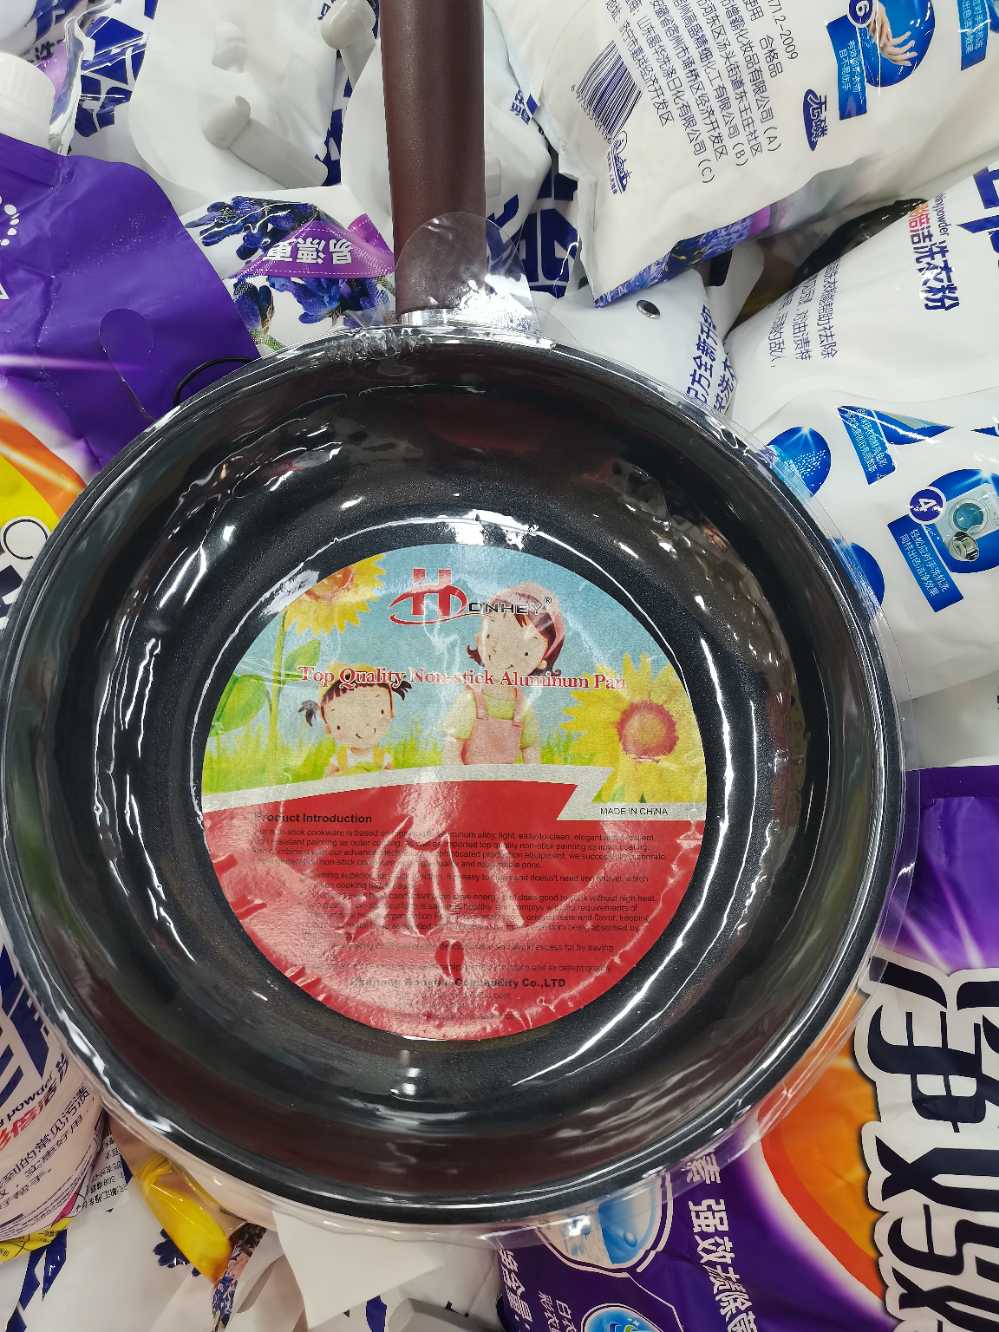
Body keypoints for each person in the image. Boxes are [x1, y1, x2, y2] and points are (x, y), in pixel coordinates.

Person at [443, 582, 564, 765]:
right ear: (480, 639)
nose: (504, 652)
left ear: (542, 662)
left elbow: (531, 749)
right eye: (494, 637)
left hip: (507, 783)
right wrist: (460, 780)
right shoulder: (470, 701)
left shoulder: (523, 708)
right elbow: (451, 749)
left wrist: (533, 778)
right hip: (469, 780)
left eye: (525, 651)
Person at [301, 665, 411, 775]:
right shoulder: (340, 759)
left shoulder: (382, 757)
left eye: (380, 711)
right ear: (329, 728)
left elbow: (393, 778)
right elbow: (327, 778)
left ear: (390, 713)